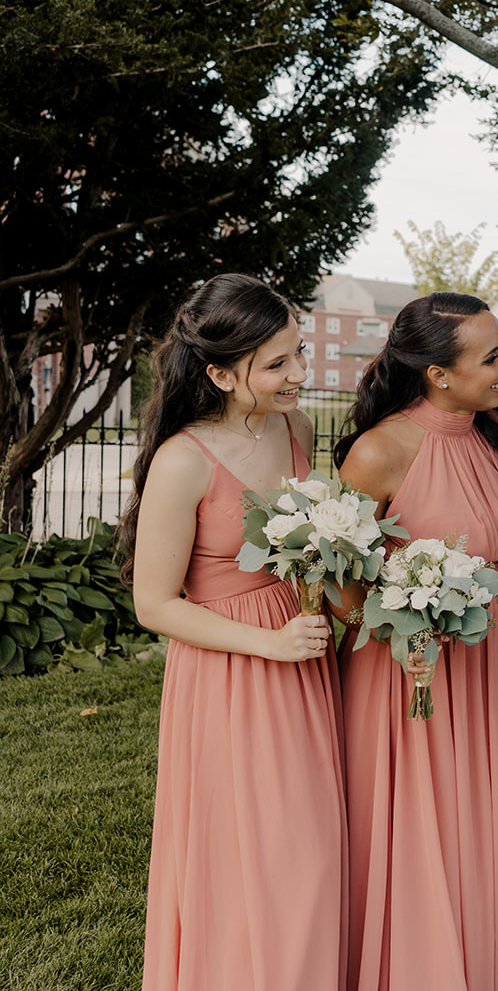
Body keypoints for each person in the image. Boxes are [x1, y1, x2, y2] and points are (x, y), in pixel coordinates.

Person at [124, 273, 344, 990]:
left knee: (311, 855)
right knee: (247, 857)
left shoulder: (299, 429)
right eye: (277, 363)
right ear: (219, 371)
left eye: (299, 354)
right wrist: (268, 643)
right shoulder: (184, 459)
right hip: (229, 673)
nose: (298, 375)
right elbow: (154, 604)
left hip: (305, 660)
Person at [334, 292, 498, 991]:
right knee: (422, 830)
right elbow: (339, 576)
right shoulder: (380, 450)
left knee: (484, 825)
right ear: (437, 373)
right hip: (413, 670)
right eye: (490, 357)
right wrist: (401, 626)